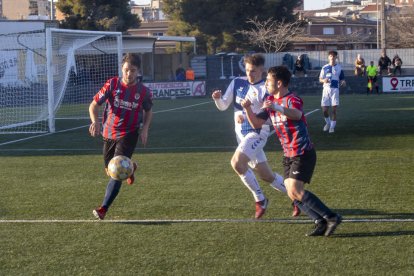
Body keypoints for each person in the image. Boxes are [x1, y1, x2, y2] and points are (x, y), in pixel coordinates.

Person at [241, 65, 342, 237]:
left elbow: (296, 114)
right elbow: (256, 124)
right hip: (288, 154)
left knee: (295, 189)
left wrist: (276, 107)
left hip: (303, 152)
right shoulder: (270, 103)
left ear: (279, 83)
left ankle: (331, 217)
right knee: (290, 192)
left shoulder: (291, 99)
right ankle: (320, 221)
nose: (265, 84)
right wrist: (247, 108)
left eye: (268, 81)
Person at [212, 54, 300, 219]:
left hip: (257, 133)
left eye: (253, 71)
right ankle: (297, 198)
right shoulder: (237, 82)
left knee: (237, 163)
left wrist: (244, 115)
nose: (249, 74)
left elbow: (266, 117)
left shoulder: (266, 89)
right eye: (247, 70)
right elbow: (224, 106)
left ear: (262, 71)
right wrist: (218, 99)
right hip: (241, 136)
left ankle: (260, 200)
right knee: (267, 176)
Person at [89, 53, 153, 220]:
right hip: (108, 133)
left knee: (116, 172)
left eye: (132, 70)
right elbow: (94, 105)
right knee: (109, 170)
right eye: (126, 70)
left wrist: (145, 129)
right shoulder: (112, 84)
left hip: (129, 133)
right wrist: (95, 121)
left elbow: (148, 111)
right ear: (121, 69)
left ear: (138, 71)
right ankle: (131, 167)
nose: (128, 74)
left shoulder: (144, 92)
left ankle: (103, 209)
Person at [319, 50, 345, 134]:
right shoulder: (324, 67)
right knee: (324, 110)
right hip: (326, 89)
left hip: (335, 89)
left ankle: (332, 127)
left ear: (336, 57)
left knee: (334, 110)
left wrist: (343, 82)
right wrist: (324, 80)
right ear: (328, 57)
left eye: (334, 56)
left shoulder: (339, 67)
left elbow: (342, 79)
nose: (332, 57)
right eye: (330, 56)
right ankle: (328, 123)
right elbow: (320, 79)